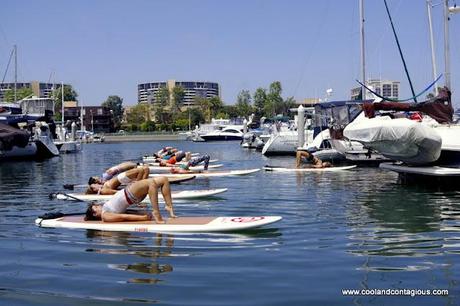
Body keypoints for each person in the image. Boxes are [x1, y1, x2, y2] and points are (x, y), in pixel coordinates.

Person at [85, 177, 176, 223]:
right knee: (151, 183)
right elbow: (123, 217)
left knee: (164, 180)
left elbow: (125, 212)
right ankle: (156, 212)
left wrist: (139, 211)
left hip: (130, 193)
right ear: (95, 213)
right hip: (130, 194)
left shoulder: (106, 209)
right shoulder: (105, 216)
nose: (98, 205)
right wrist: (142, 218)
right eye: (96, 207)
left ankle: (169, 206)